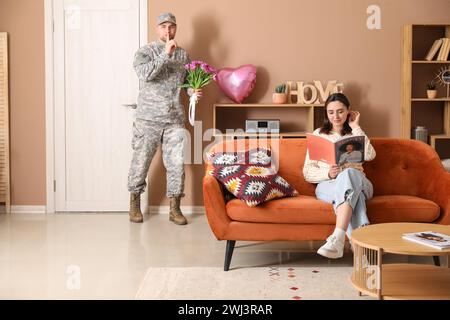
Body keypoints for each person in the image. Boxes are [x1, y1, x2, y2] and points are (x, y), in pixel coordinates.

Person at [127, 12, 202, 224]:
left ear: (176, 28)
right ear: (156, 28)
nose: (167, 31)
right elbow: (145, 74)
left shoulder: (184, 56)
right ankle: (134, 204)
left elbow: (186, 82)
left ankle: (175, 208)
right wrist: (165, 54)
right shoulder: (145, 52)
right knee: (141, 163)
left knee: (177, 164)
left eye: (171, 26)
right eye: (163, 27)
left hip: (174, 119)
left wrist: (192, 93)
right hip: (147, 119)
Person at [303, 93, 376, 259]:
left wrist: (356, 126)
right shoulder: (318, 134)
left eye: (340, 111)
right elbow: (307, 171)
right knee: (352, 196)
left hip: (361, 184)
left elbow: (370, 155)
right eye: (331, 112)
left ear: (348, 111)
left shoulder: (355, 134)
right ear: (326, 114)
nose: (335, 116)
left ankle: (338, 237)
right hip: (328, 185)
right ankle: (363, 250)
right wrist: (328, 173)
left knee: (349, 173)